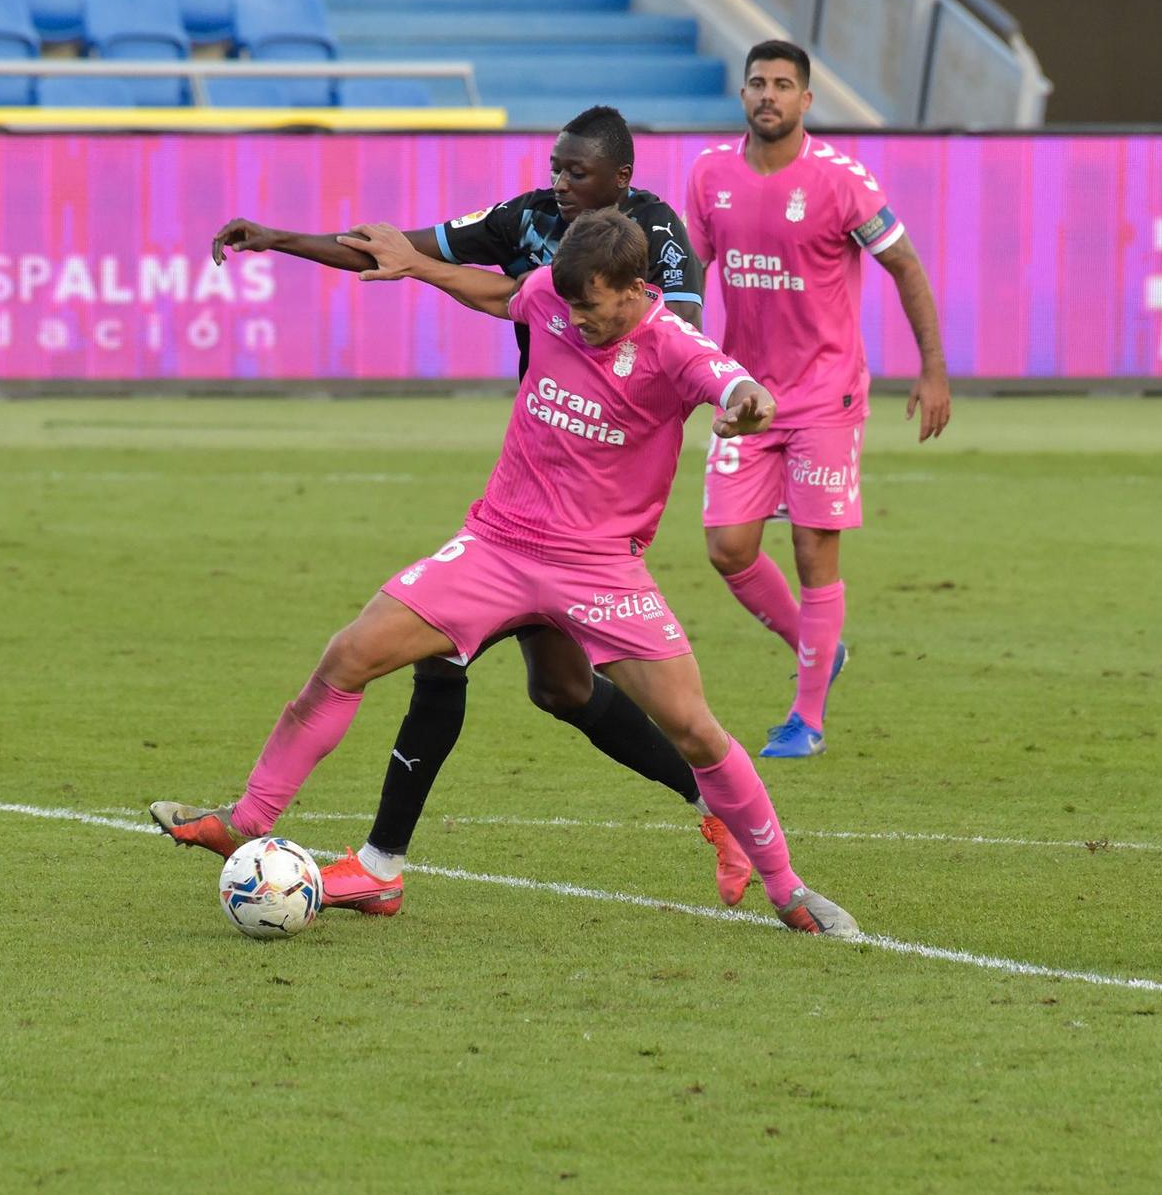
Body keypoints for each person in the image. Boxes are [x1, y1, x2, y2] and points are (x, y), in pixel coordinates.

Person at [154, 209, 859, 938]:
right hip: (497, 545)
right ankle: (248, 820)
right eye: (569, 303)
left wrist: (748, 409)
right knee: (349, 654)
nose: (573, 318)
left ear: (632, 289)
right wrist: (418, 264)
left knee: (695, 730)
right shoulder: (553, 296)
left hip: (600, 571)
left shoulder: (673, 345)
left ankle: (788, 889)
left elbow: (737, 385)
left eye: (589, 306)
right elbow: (500, 293)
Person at [205, 107, 747, 916]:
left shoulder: (657, 239)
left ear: (620, 181)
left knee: (439, 654)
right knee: (560, 689)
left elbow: (678, 342)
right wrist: (281, 238)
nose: (559, 184)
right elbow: (399, 251)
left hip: (598, 499)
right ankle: (716, 811)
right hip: (535, 476)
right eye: (557, 168)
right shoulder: (527, 218)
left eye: (577, 173)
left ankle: (380, 862)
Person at [686, 40, 952, 760]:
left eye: (782, 85)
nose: (768, 95)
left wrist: (932, 368)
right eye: (757, 83)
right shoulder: (710, 175)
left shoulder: (843, 183)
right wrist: (684, 365)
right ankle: (818, 646)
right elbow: (690, 277)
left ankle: (807, 717)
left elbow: (904, 264)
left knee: (812, 549)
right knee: (727, 547)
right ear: (743, 96)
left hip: (825, 397)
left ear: (807, 101)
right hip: (745, 396)